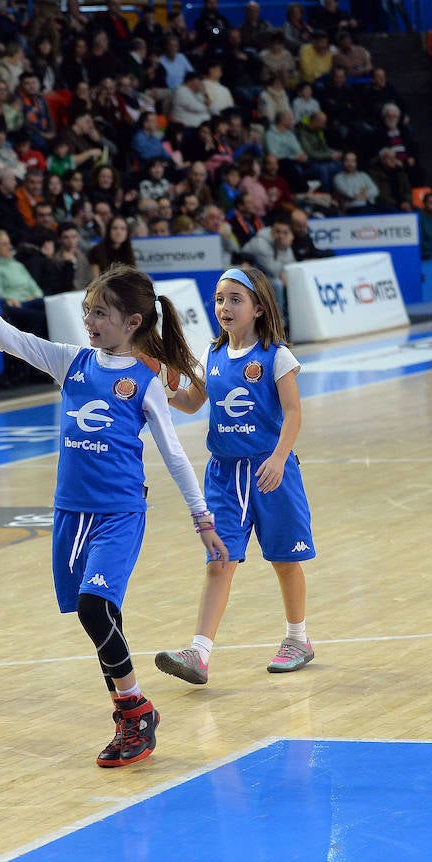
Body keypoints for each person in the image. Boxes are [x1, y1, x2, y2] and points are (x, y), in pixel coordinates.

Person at [0, 264, 227, 767]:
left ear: (132, 322)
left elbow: (173, 453)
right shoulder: (73, 362)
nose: (89, 319)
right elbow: (7, 340)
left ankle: (135, 712)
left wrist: (202, 517)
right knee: (104, 616)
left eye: (100, 312)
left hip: (120, 512)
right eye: (87, 309)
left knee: (93, 607)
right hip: (70, 514)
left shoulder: (146, 378)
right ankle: (127, 712)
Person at [154, 266, 315, 684]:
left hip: (269, 470)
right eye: (220, 299)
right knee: (219, 561)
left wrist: (280, 458)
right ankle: (199, 653)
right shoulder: (212, 355)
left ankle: (297, 638)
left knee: (284, 560)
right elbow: (192, 403)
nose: (224, 307)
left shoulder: (276, 355)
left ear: (258, 308)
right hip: (223, 475)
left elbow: (295, 413)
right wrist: (161, 387)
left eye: (235, 299)